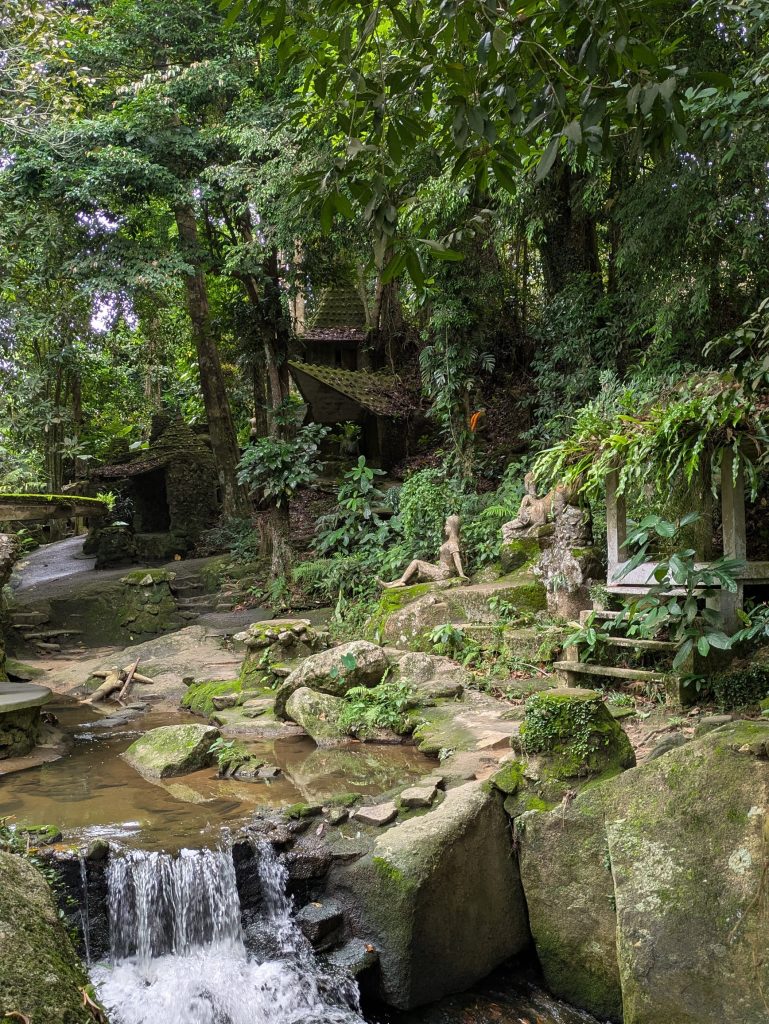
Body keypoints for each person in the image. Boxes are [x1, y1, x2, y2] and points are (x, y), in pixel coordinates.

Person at [379, 514, 468, 588]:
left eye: (446, 525)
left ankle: (399, 582)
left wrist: (461, 574)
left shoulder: (452, 543)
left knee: (416, 562)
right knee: (415, 572)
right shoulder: (451, 541)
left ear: (452, 527)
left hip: (444, 573)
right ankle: (391, 584)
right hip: (441, 570)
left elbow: (456, 557)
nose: (444, 527)